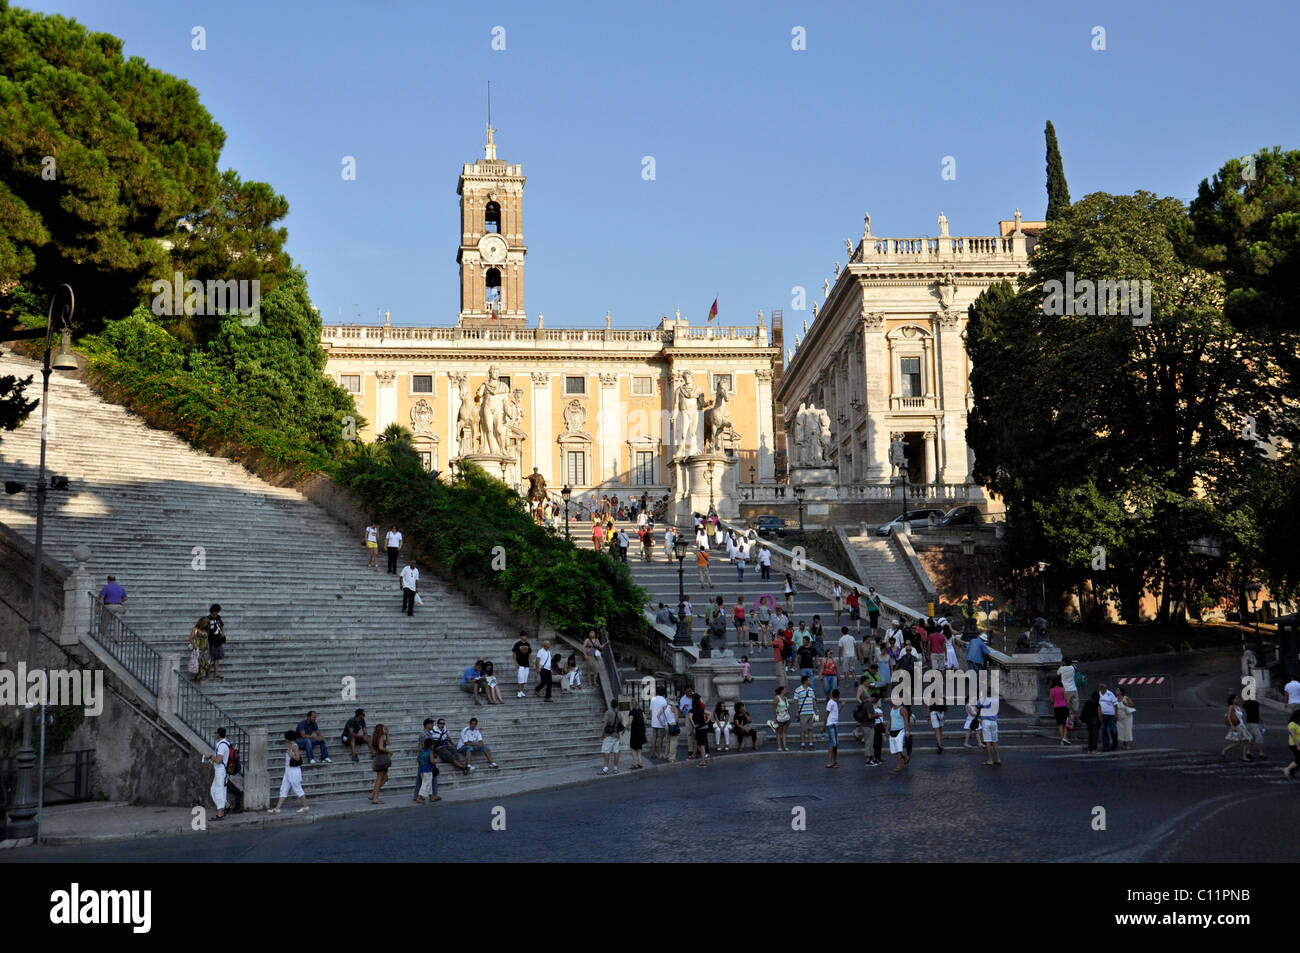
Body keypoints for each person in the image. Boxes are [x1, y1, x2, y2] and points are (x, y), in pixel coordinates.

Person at [268, 730, 310, 815]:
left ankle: (305, 807)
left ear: (289, 738)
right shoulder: (290, 745)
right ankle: (277, 809)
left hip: (294, 771)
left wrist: (289, 754)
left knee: (297, 788)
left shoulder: (294, 746)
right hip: (288, 771)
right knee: (284, 788)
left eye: (286, 738)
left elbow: (297, 758)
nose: (285, 739)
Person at [202, 727, 232, 819]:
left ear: (218, 734)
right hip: (220, 771)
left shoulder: (222, 745)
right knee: (213, 790)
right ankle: (226, 805)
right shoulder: (225, 743)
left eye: (216, 733)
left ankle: (220, 813)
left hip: (221, 772)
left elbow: (219, 760)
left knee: (219, 792)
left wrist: (210, 756)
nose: (215, 734)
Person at [1221, 693, 1253, 761]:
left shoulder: (1238, 707)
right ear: (1232, 700)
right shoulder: (1231, 707)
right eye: (1236, 698)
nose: (1238, 700)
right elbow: (1229, 716)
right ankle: (1244, 756)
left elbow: (1242, 712)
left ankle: (1224, 750)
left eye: (1238, 698)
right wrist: (1232, 726)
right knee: (1248, 739)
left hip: (1242, 726)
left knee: (1238, 743)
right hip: (1238, 726)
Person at [793, 674, 819, 750]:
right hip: (803, 713)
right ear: (805, 681)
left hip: (810, 712)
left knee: (810, 728)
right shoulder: (798, 690)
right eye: (808, 680)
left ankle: (811, 743)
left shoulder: (811, 690)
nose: (810, 681)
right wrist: (796, 712)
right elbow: (795, 701)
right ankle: (803, 744)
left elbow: (813, 700)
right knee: (803, 729)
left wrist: (816, 709)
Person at [370, 724, 391, 803]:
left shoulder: (375, 737)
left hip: (378, 758)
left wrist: (387, 734)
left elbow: (388, 742)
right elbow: (381, 747)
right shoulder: (381, 737)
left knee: (385, 778)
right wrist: (389, 751)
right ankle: (375, 798)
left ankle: (373, 794)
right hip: (382, 758)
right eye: (383, 728)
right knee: (379, 779)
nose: (384, 729)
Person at [188, 616, 212, 684]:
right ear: (201, 623)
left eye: (207, 624)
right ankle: (199, 679)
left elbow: (206, 640)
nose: (206, 625)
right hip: (199, 649)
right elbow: (190, 638)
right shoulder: (195, 629)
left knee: (207, 663)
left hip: (206, 649)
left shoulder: (205, 630)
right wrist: (194, 644)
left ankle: (199, 677)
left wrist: (208, 648)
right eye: (204, 623)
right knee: (200, 664)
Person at [205, 604, 227, 680]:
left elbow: (222, 625)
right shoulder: (208, 618)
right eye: (215, 611)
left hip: (218, 640)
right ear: (212, 611)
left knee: (217, 657)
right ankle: (207, 673)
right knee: (210, 657)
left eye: (217, 612)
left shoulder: (218, 617)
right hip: (210, 640)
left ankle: (216, 673)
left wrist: (223, 633)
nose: (216, 613)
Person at [600, 700, 623, 775]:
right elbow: (621, 725)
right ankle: (615, 768)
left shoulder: (608, 712)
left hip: (609, 735)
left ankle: (606, 768)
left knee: (606, 751)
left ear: (611, 704)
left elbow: (604, 723)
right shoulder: (619, 714)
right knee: (616, 752)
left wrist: (602, 733)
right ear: (617, 705)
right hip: (616, 735)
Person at [416, 737, 441, 803]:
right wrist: (435, 762)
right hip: (428, 770)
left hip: (422, 769)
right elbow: (432, 761)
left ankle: (431, 797)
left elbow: (418, 760)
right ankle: (419, 797)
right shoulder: (430, 752)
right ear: (431, 745)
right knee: (426, 784)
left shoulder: (422, 751)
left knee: (428, 783)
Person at [979, 692, 1001, 765]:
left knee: (988, 742)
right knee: (995, 741)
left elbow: (977, 710)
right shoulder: (996, 700)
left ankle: (990, 760)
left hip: (985, 721)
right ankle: (998, 759)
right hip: (994, 722)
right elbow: (997, 711)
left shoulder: (982, 700)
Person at [888, 701, 910, 773]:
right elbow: (890, 720)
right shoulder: (891, 709)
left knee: (899, 749)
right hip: (892, 731)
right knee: (894, 751)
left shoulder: (902, 709)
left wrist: (907, 731)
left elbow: (906, 721)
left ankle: (899, 766)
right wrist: (886, 730)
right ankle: (905, 757)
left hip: (900, 731)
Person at [691, 692, 711, 767]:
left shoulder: (693, 710)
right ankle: (703, 758)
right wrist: (707, 721)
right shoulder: (700, 709)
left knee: (701, 745)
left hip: (699, 728)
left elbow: (691, 718)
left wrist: (694, 724)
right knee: (699, 743)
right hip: (703, 727)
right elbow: (709, 713)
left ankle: (703, 762)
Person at [1098, 683, 1119, 752]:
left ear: (1106, 687)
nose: (1102, 688)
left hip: (1111, 716)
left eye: (1103, 687)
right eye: (1101, 687)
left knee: (1113, 731)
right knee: (1104, 732)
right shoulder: (1099, 694)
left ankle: (1114, 744)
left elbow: (1115, 705)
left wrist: (1116, 714)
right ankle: (1105, 747)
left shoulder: (1110, 694)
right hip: (1102, 715)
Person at [649, 686, 668, 759]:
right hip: (661, 721)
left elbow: (650, 710)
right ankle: (659, 754)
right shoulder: (664, 700)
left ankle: (653, 753)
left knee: (654, 738)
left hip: (654, 721)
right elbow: (665, 711)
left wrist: (651, 719)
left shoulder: (653, 699)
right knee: (660, 738)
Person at [512, 630, 532, 698]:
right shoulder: (517, 644)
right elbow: (514, 653)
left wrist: (530, 662)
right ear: (521, 636)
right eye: (523, 635)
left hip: (526, 664)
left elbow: (529, 653)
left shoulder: (528, 644)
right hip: (520, 664)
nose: (525, 637)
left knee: (524, 679)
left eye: (526, 636)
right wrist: (516, 662)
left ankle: (522, 691)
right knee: (520, 678)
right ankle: (519, 691)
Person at [1050, 678, 1071, 746]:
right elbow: (1066, 699)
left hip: (1056, 708)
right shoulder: (1062, 689)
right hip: (1064, 707)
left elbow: (1052, 701)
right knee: (1065, 724)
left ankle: (1062, 740)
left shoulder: (1051, 690)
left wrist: (1055, 703)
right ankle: (1065, 738)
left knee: (1060, 724)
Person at [772, 685, 792, 751]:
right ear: (782, 690)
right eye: (785, 689)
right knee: (779, 732)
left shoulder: (785, 698)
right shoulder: (777, 698)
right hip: (779, 717)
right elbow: (774, 709)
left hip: (786, 717)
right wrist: (775, 719)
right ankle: (779, 746)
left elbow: (787, 708)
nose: (786, 690)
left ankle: (785, 746)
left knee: (784, 732)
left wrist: (789, 716)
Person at [825, 688, 841, 768]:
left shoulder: (835, 703)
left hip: (835, 724)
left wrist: (841, 706)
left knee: (836, 744)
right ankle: (829, 762)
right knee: (832, 743)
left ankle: (834, 761)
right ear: (838, 695)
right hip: (831, 725)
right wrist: (824, 726)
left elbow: (837, 713)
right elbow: (826, 715)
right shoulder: (830, 703)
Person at [662, 694, 681, 763]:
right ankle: (671, 757)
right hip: (673, 725)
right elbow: (676, 719)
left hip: (667, 725)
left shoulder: (665, 707)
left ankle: (666, 755)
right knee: (673, 742)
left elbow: (659, 715)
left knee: (668, 741)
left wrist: (663, 723)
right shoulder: (674, 708)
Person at [627, 704, 647, 768]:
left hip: (635, 732)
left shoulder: (632, 711)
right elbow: (645, 720)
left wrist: (626, 727)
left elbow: (630, 722)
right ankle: (640, 762)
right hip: (641, 731)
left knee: (633, 747)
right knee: (639, 747)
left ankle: (635, 763)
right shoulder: (641, 710)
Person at [1284, 710, 1300, 779]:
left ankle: (1291, 772)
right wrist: (1297, 745)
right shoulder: (1291, 724)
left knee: (1299, 759)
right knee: (1299, 759)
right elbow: (1293, 736)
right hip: (1294, 744)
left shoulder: (1298, 724)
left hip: (1298, 744)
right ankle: (1287, 769)